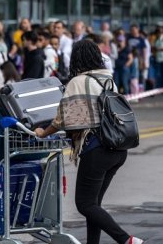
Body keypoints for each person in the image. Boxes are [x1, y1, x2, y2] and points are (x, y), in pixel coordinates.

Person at [34, 40, 144, 244]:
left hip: (97, 149)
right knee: (93, 204)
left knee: (84, 204)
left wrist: (42, 132)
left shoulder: (78, 81)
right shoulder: (107, 77)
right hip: (118, 148)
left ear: (76, 59)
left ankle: (127, 240)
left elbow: (65, 119)